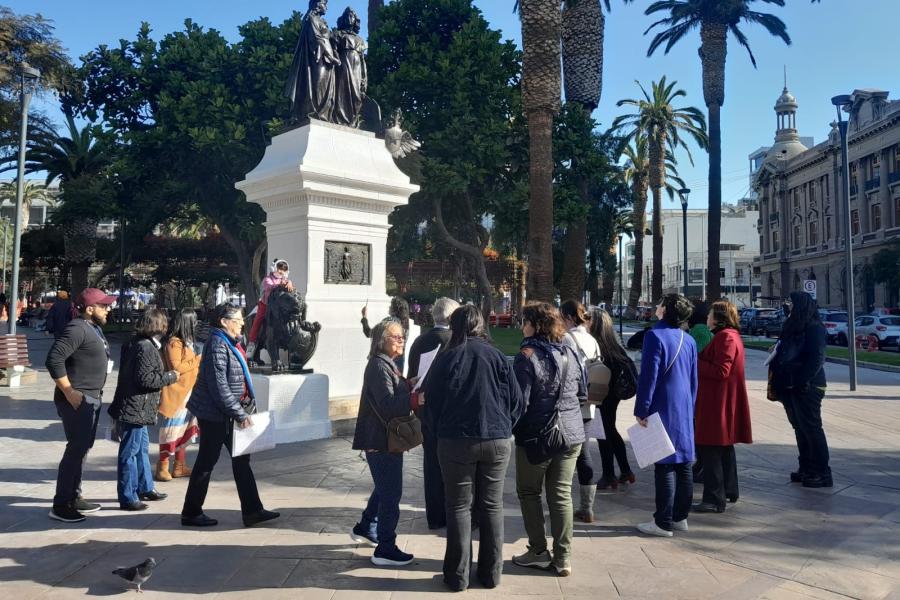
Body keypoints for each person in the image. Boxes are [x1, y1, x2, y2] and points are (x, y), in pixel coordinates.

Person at [423, 306, 524, 591]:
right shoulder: (497, 356)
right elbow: (517, 401)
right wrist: (505, 426)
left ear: (455, 327)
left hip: (456, 440)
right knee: (492, 506)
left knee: (458, 506)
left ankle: (457, 576)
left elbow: (430, 403)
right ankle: (491, 574)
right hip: (496, 438)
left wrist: (439, 429)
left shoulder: (447, 358)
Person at [181, 303, 280, 528]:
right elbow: (219, 387)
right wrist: (239, 413)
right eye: (238, 319)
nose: (243, 323)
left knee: (241, 461)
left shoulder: (229, 342)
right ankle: (191, 512)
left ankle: (253, 510)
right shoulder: (217, 344)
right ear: (224, 322)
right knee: (207, 462)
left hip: (226, 413)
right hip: (217, 415)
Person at [512, 302, 586, 577]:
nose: (522, 326)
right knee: (561, 494)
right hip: (571, 433)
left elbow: (520, 401)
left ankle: (538, 550)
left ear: (535, 325)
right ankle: (563, 556)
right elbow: (582, 391)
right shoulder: (570, 349)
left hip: (538, 435)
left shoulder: (527, 355)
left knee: (529, 491)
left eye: (525, 321)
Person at [45, 288, 116, 522]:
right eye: (104, 306)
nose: (108, 309)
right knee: (75, 450)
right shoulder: (77, 328)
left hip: (91, 397)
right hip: (78, 399)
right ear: (89, 309)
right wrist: (69, 391)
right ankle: (61, 504)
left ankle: (74, 496)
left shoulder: (92, 328)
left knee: (82, 449)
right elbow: (54, 359)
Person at [350, 320, 417, 567]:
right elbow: (387, 405)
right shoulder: (379, 365)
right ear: (381, 340)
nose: (401, 341)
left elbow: (390, 394)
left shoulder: (386, 364)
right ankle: (385, 548)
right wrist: (414, 399)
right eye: (396, 337)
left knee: (383, 487)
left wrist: (408, 384)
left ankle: (366, 526)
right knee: (391, 494)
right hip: (380, 439)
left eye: (402, 337)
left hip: (382, 439)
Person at [634, 294, 698, 538]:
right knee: (683, 462)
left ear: (665, 310)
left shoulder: (655, 336)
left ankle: (663, 521)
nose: (656, 307)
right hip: (683, 404)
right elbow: (694, 379)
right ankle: (680, 517)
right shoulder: (688, 339)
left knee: (664, 463)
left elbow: (649, 377)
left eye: (659, 304)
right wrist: (690, 406)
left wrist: (642, 409)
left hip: (663, 402)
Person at [108, 309, 179, 511]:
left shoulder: (133, 343)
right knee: (130, 452)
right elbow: (146, 379)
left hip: (137, 407)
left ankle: (145, 487)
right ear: (159, 326)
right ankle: (128, 496)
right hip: (136, 408)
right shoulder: (145, 347)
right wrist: (171, 376)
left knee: (141, 449)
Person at [693, 300, 752, 513]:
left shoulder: (726, 337)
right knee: (724, 448)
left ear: (718, 317)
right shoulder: (729, 336)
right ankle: (729, 490)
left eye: (710, 314)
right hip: (721, 400)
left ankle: (714, 498)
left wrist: (694, 361)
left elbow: (721, 371)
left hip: (717, 402)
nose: (707, 318)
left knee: (711, 450)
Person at [407, 297, 459, 530]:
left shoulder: (420, 341)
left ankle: (435, 515)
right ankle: (454, 513)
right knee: (455, 465)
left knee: (431, 463)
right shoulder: (457, 340)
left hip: (426, 409)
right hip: (452, 410)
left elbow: (412, 375)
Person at [769, 291, 831, 488]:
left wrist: (801, 380)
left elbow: (817, 359)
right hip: (790, 384)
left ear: (801, 305)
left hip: (808, 385)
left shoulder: (814, 327)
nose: (788, 306)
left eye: (791, 303)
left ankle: (821, 471)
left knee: (812, 428)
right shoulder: (794, 325)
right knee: (800, 428)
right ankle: (806, 467)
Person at [559, 300, 602, 522]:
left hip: (571, 403)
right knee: (584, 455)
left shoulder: (567, 338)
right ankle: (587, 507)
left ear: (567, 317)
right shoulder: (592, 339)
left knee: (564, 456)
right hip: (589, 404)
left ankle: (561, 505)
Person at [589, 309, 638, 490]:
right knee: (610, 429)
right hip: (613, 394)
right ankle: (625, 470)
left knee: (604, 432)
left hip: (602, 393)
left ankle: (609, 475)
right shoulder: (613, 346)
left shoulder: (597, 346)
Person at [156, 309, 202, 482]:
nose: (197, 324)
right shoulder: (175, 342)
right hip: (177, 394)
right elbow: (177, 368)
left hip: (190, 393)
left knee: (184, 430)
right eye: (194, 321)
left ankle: (179, 465)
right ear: (187, 323)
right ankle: (163, 466)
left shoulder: (188, 342)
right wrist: (197, 360)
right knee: (171, 430)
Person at [284, 0, 340, 121]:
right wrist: (331, 57)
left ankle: (323, 115)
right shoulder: (312, 19)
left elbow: (325, 38)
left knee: (326, 86)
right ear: (317, 4)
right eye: (324, 4)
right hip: (318, 56)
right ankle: (314, 112)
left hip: (327, 58)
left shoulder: (321, 20)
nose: (326, 7)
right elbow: (317, 38)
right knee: (318, 83)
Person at [246, 259, 293, 357]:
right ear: (274, 268)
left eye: (284, 270)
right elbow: (270, 286)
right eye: (279, 268)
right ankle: (252, 341)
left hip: (278, 306)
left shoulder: (285, 281)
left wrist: (289, 283)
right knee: (258, 320)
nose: (281, 271)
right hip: (265, 304)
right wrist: (281, 284)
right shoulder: (267, 279)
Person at [332, 7, 367, 127]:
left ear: (355, 19)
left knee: (356, 95)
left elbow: (363, 60)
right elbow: (333, 51)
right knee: (342, 91)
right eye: (347, 15)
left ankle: (352, 121)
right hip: (343, 64)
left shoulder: (360, 40)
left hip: (356, 67)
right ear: (343, 19)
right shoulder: (338, 34)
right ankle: (340, 118)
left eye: (351, 15)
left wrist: (364, 78)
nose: (349, 18)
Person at [361, 296, 410, 370]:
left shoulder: (389, 322)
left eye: (391, 305)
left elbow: (368, 333)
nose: (389, 307)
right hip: (399, 363)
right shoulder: (405, 325)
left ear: (395, 309)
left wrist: (364, 317)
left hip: (385, 363)